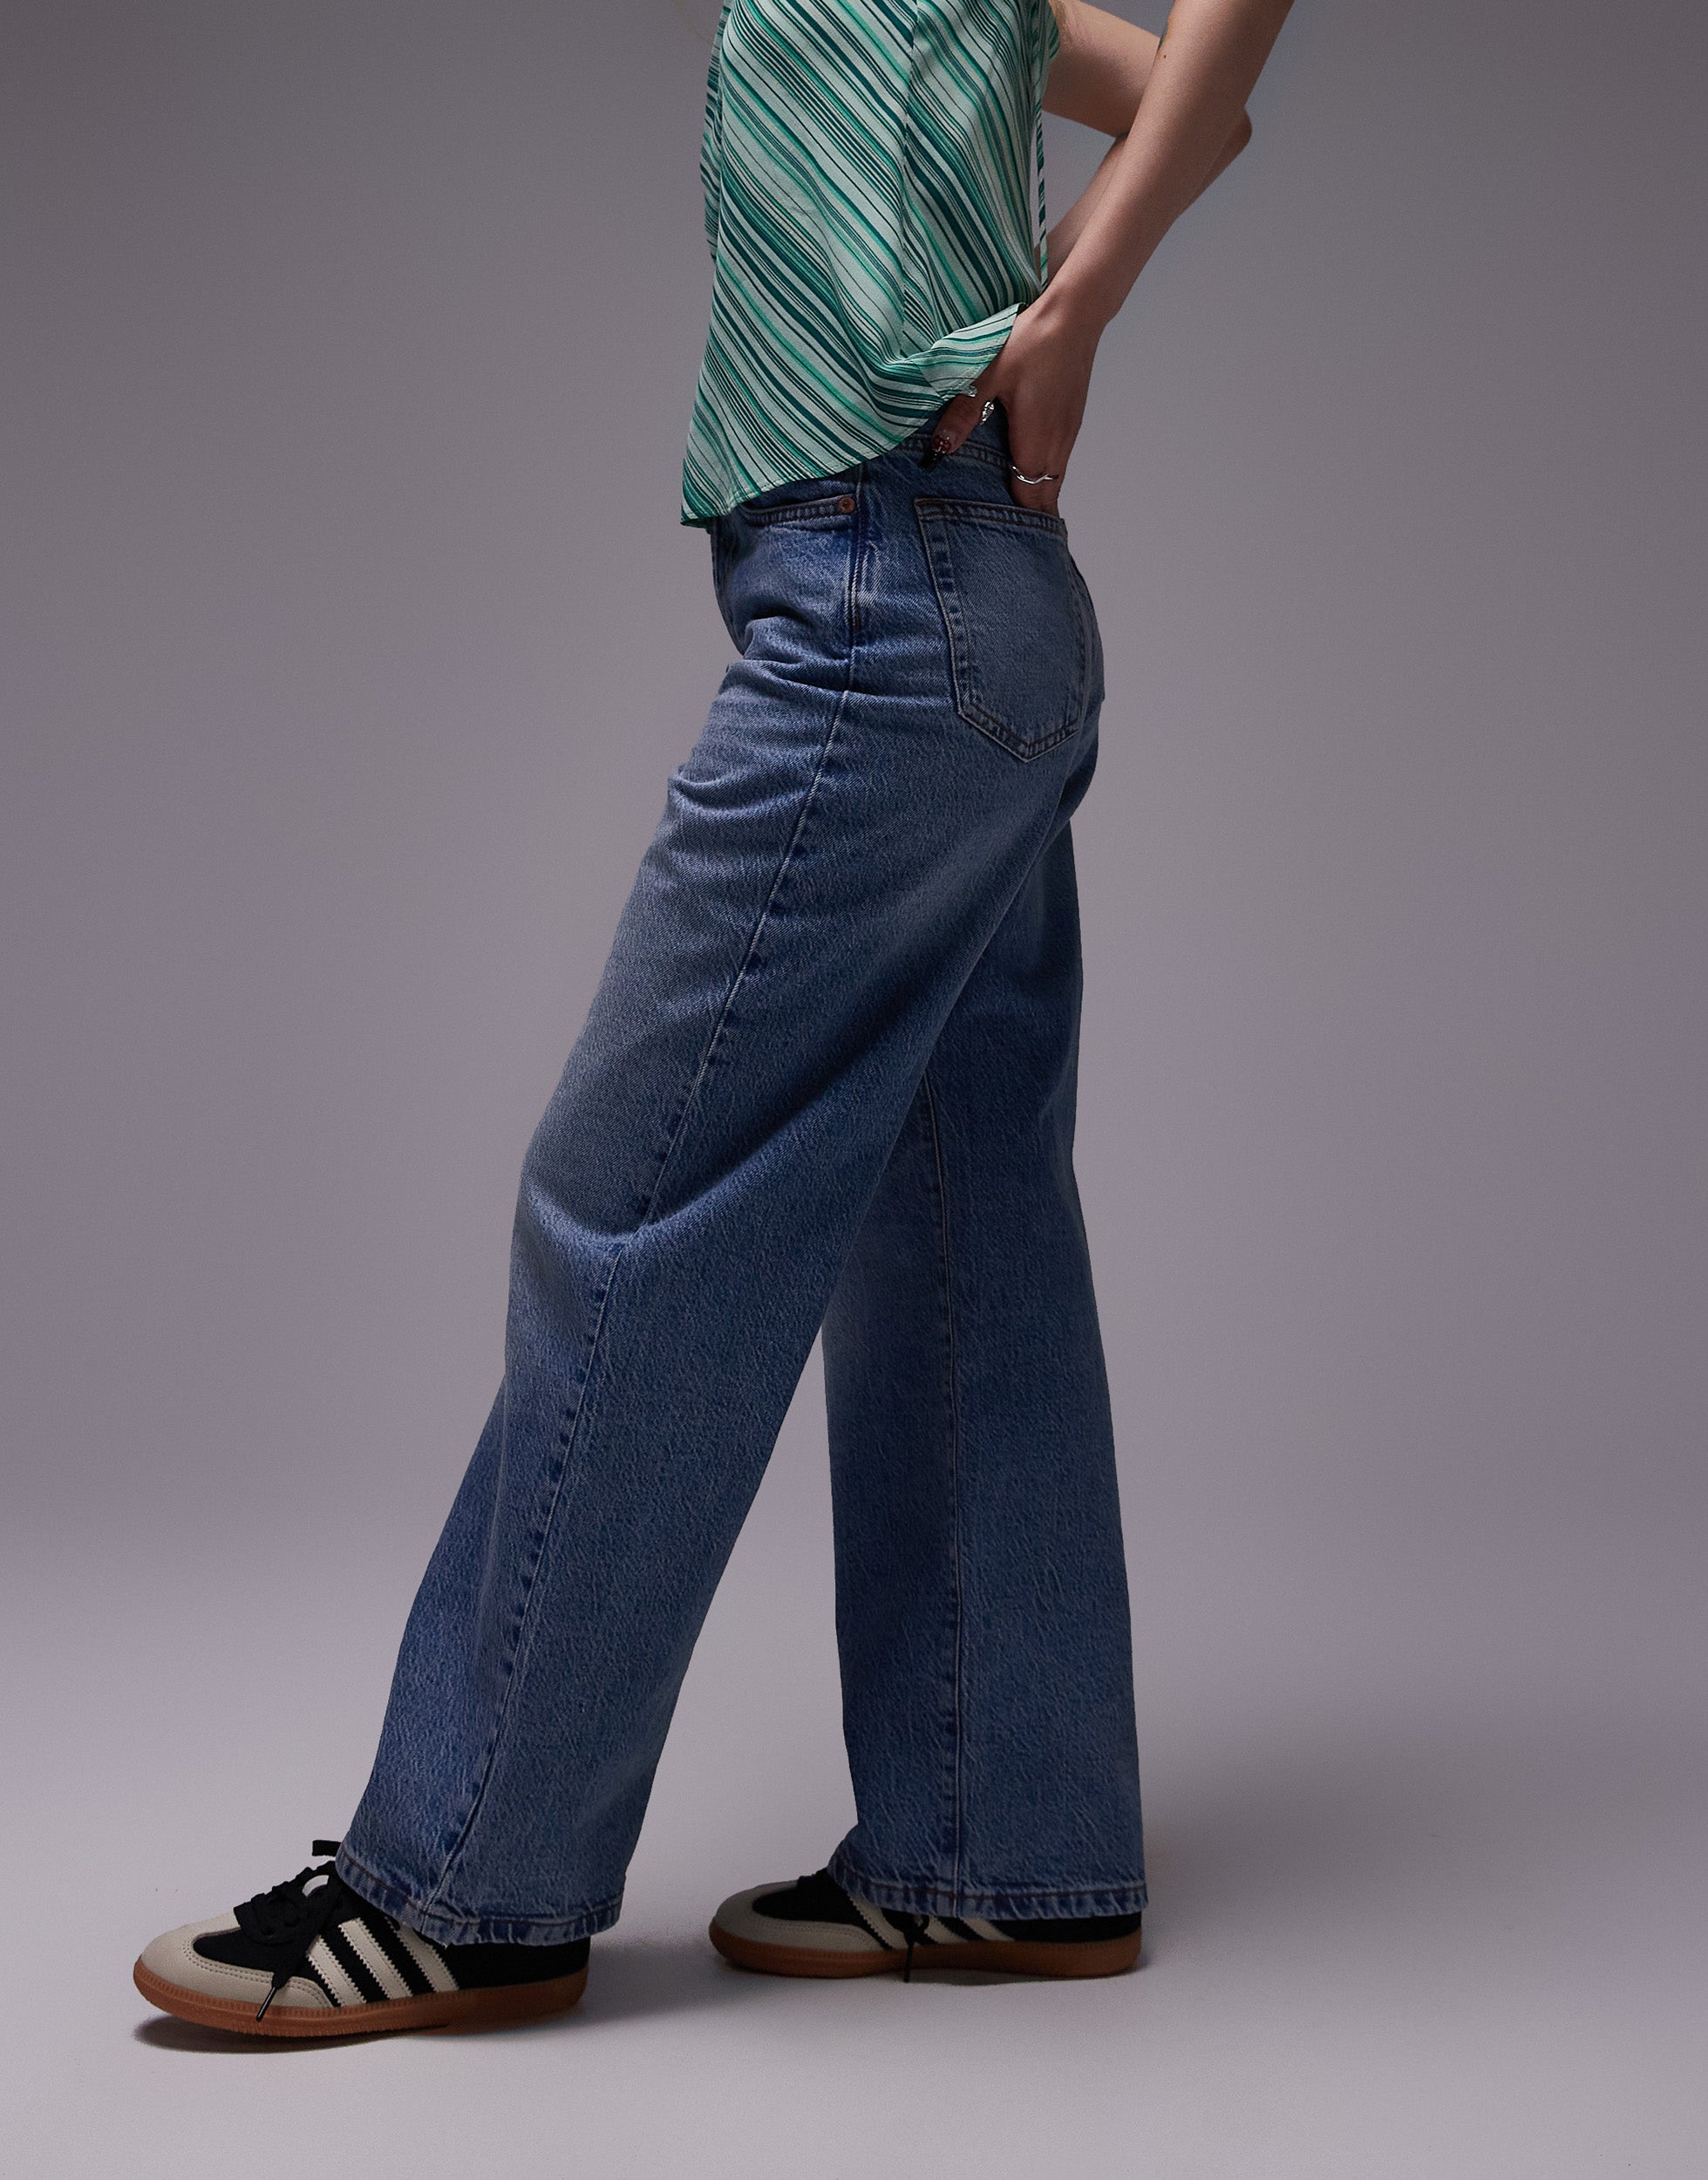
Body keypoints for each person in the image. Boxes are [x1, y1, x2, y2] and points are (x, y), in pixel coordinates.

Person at [135, 0, 1292, 2039]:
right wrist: (1069, 258)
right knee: (954, 1223)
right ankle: (996, 1848)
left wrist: (1074, 301)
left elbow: (1220, 78)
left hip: (883, 599)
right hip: (948, 599)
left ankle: (462, 1882)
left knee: (632, 1210)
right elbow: (1198, 110)